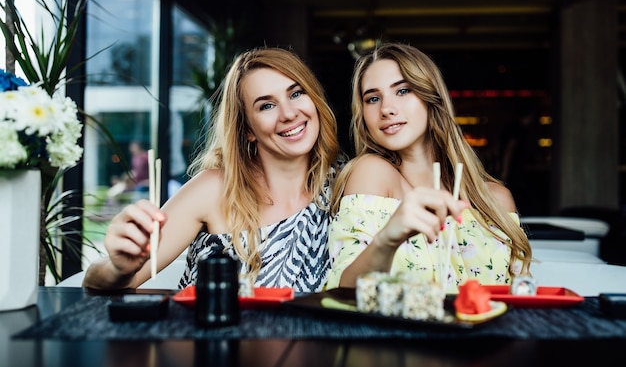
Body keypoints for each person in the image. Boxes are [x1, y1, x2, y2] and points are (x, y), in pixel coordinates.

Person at [83, 47, 341, 293]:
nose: (288, 113)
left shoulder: (347, 187)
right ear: (248, 130)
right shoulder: (215, 189)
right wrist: (118, 268)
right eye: (266, 105)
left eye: (296, 94)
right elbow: (98, 279)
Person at [326, 42, 532, 292]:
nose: (386, 109)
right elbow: (345, 292)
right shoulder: (372, 173)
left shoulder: (496, 200)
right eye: (373, 98)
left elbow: (521, 297)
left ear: (430, 97)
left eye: (402, 91)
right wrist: (388, 239)